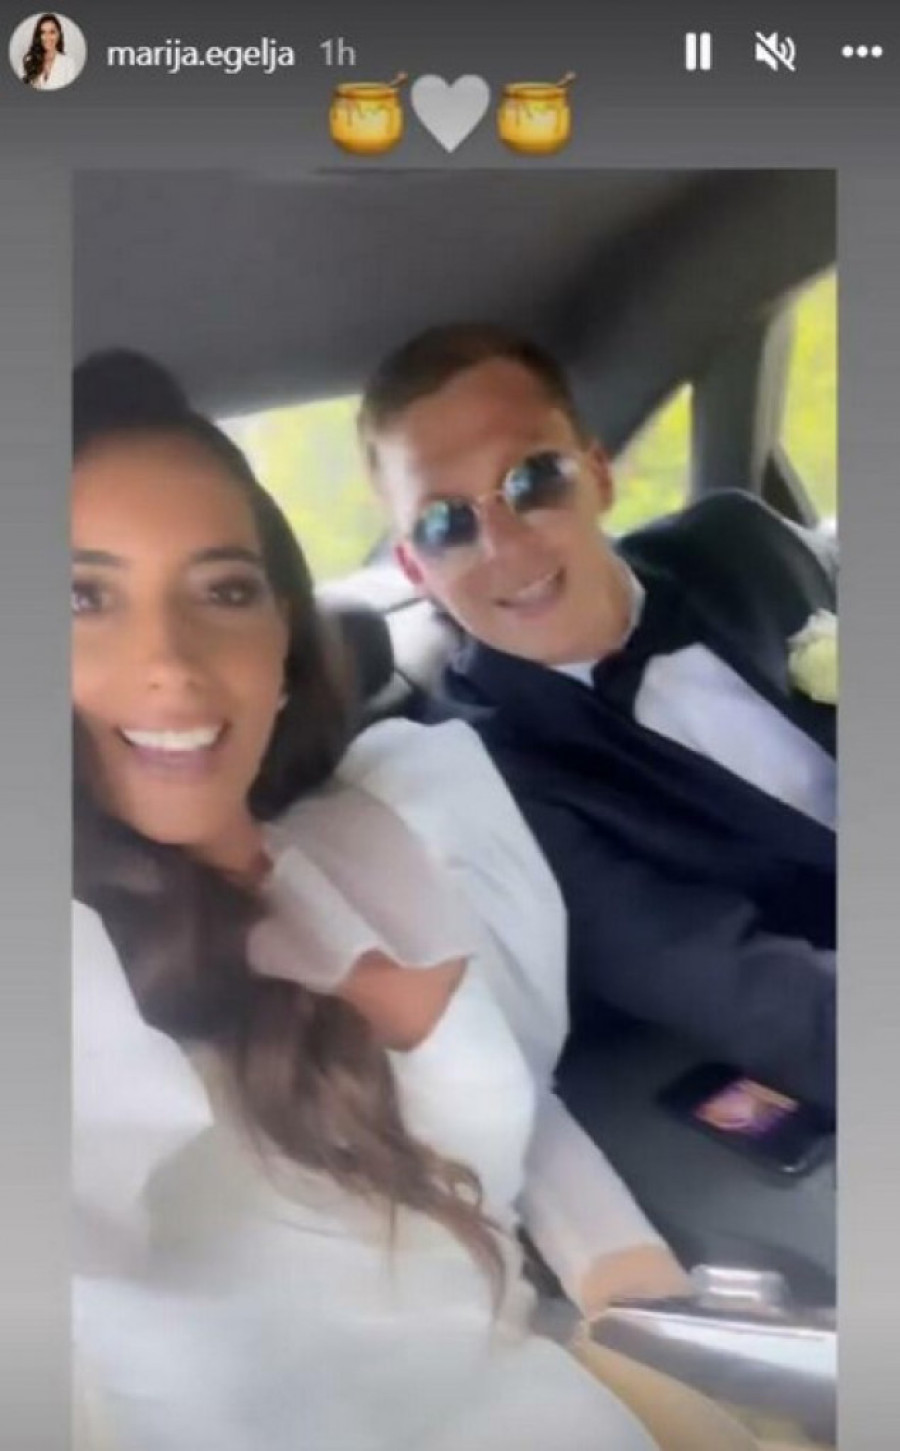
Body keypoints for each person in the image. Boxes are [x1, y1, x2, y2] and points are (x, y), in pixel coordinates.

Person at [72, 351, 759, 1450]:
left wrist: (654, 1310)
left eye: (224, 589)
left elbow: (518, 1120)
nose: (171, 662)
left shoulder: (391, 830)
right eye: (82, 596)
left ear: (284, 642)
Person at [358, 324, 836, 1116]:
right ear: (414, 568)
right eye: (445, 524)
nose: (504, 545)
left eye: (533, 479)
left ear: (600, 475)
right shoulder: (488, 781)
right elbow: (756, 995)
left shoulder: (737, 541)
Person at [21, 13, 78, 89]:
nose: (47, 37)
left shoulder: (68, 63)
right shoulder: (29, 61)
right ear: (39, 36)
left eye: (52, 32)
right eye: (43, 32)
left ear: (59, 35)